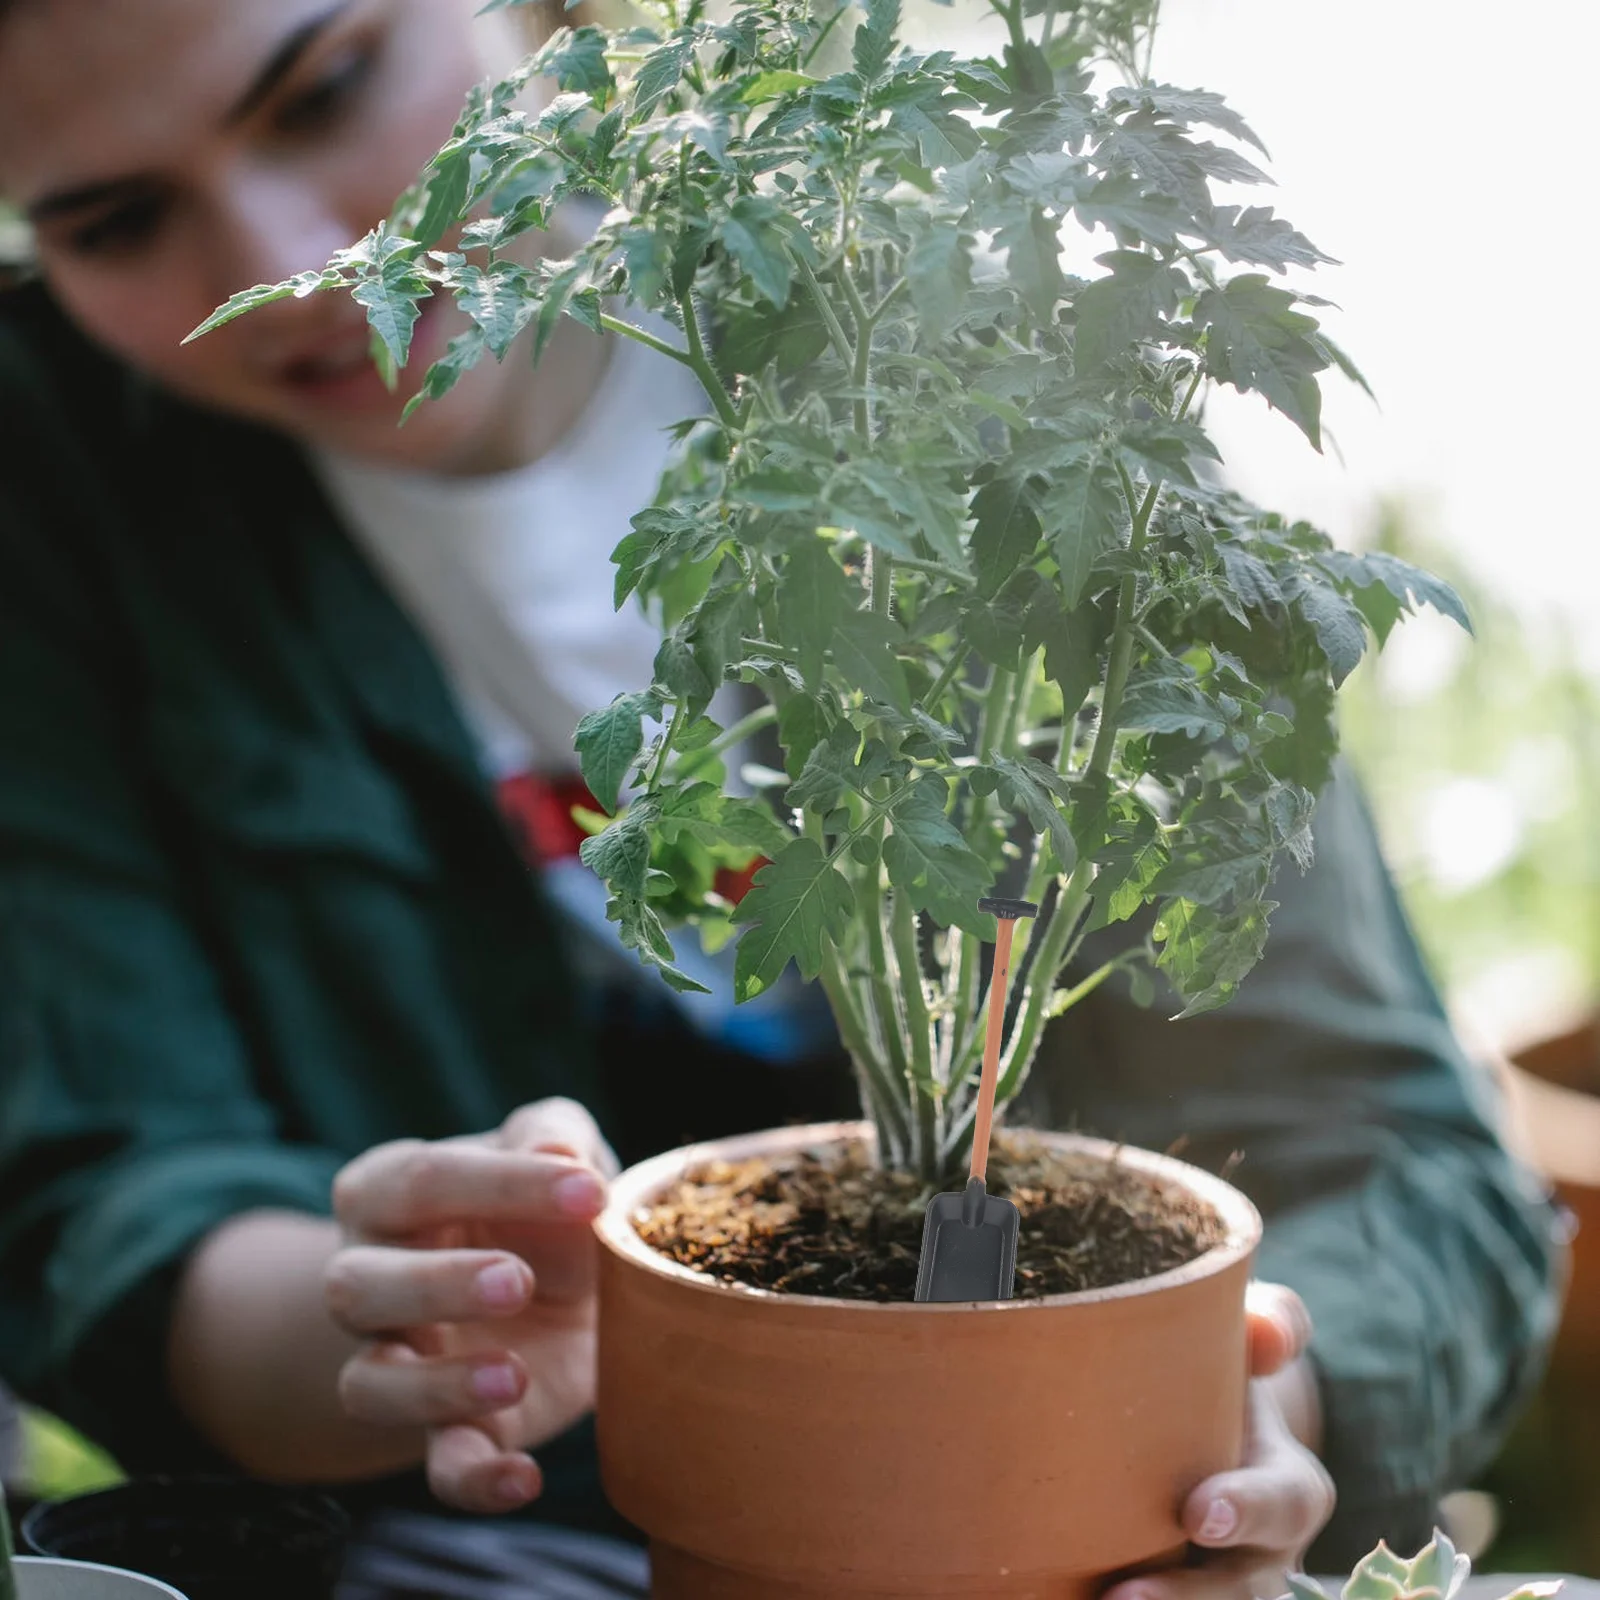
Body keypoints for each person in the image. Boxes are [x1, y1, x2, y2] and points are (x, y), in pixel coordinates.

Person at [0, 0, 1565, 1594]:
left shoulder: (982, 360)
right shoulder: (54, 482)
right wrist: (406, 1311)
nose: (295, 257)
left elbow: (1399, 1166)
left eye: (326, 90)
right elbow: (100, 1201)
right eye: (113, 218)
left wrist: (1236, 1416)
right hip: (467, 1541)